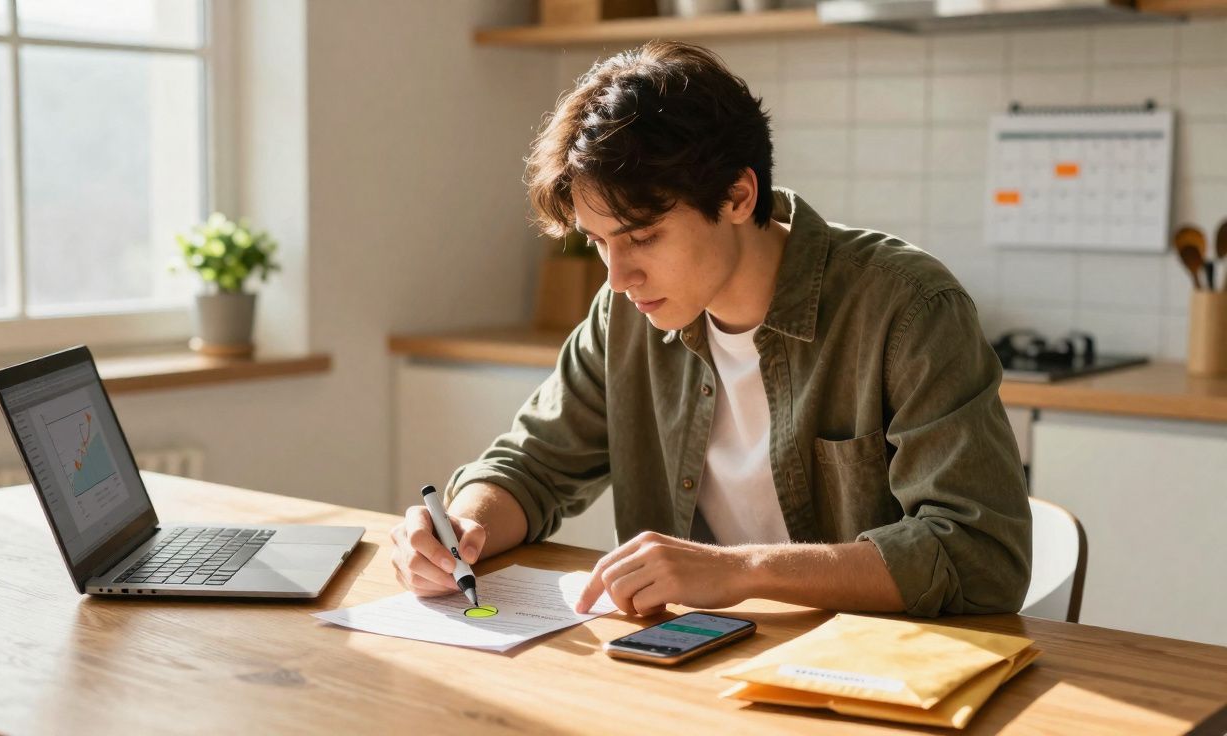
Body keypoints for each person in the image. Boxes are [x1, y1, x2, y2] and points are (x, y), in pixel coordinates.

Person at [389, 40, 1031, 619]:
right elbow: (528, 467)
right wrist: (459, 530)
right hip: (693, 663)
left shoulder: (907, 308)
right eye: (598, 243)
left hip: (868, 677)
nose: (618, 277)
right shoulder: (624, 318)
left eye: (642, 237)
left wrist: (742, 572)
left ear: (737, 197)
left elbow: (979, 555)